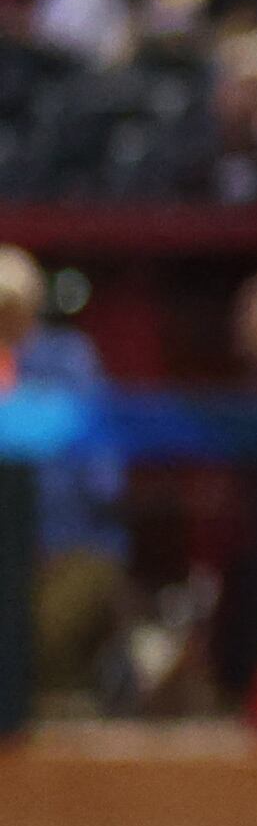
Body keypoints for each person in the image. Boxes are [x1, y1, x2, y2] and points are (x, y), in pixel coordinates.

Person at [1, 244, 128, 711]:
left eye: (10, 305)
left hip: (73, 549)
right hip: (8, 555)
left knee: (44, 627)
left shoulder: (68, 359)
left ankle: (61, 731)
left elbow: (105, 477)